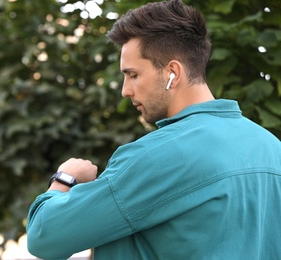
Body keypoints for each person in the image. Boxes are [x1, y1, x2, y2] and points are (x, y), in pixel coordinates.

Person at [26, 0, 281, 259]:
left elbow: (43, 237)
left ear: (173, 72)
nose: (125, 90)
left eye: (133, 75)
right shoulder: (273, 149)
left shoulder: (157, 156)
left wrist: (65, 178)